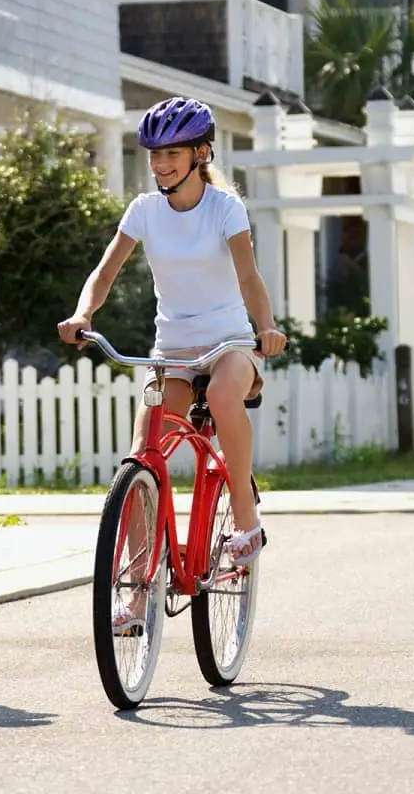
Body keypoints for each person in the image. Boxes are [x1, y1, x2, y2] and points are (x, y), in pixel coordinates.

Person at [57, 97, 288, 632]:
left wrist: (266, 327)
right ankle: (137, 593)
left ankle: (246, 522)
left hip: (229, 342)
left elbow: (249, 277)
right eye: (155, 155)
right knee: (142, 458)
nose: (161, 164)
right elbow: (105, 270)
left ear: (201, 153)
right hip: (174, 349)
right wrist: (82, 312)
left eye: (173, 154)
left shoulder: (224, 207)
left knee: (226, 396)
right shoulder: (143, 210)